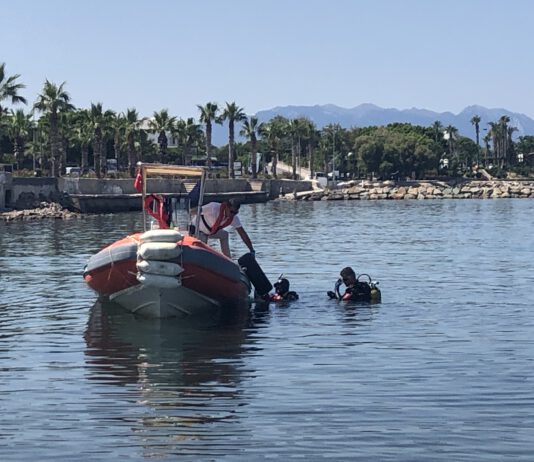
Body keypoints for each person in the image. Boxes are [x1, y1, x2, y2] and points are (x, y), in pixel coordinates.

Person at [190, 198, 254, 258]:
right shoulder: (213, 207)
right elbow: (193, 211)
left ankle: (228, 259)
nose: (232, 215)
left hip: (210, 232)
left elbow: (242, 233)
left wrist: (251, 250)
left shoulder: (234, 218)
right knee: (203, 252)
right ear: (226, 207)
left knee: (224, 235)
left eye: (235, 213)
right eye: (231, 212)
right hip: (198, 230)